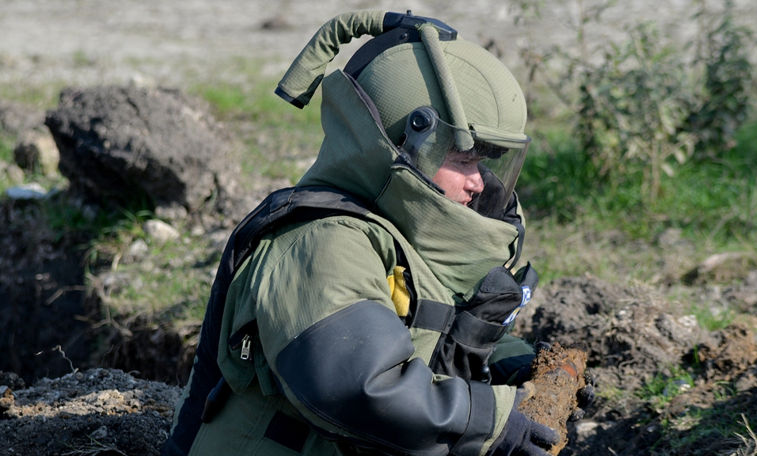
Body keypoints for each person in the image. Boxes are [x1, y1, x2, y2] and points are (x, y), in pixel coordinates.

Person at [163, 10, 588, 456]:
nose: (479, 183)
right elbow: (360, 389)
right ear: (407, 143)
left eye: (485, 163)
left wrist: (522, 368)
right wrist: (493, 421)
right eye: (464, 160)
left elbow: (436, 330)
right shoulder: (321, 242)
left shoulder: (408, 235)